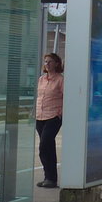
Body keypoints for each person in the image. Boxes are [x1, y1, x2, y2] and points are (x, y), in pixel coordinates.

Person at [35, 53, 64, 188]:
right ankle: (49, 178)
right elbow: (40, 97)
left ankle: (51, 177)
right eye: (45, 61)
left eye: (50, 62)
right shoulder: (41, 79)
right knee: (48, 148)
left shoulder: (60, 80)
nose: (47, 64)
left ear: (56, 64)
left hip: (53, 116)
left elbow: (66, 97)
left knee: (44, 146)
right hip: (40, 116)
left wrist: (60, 113)